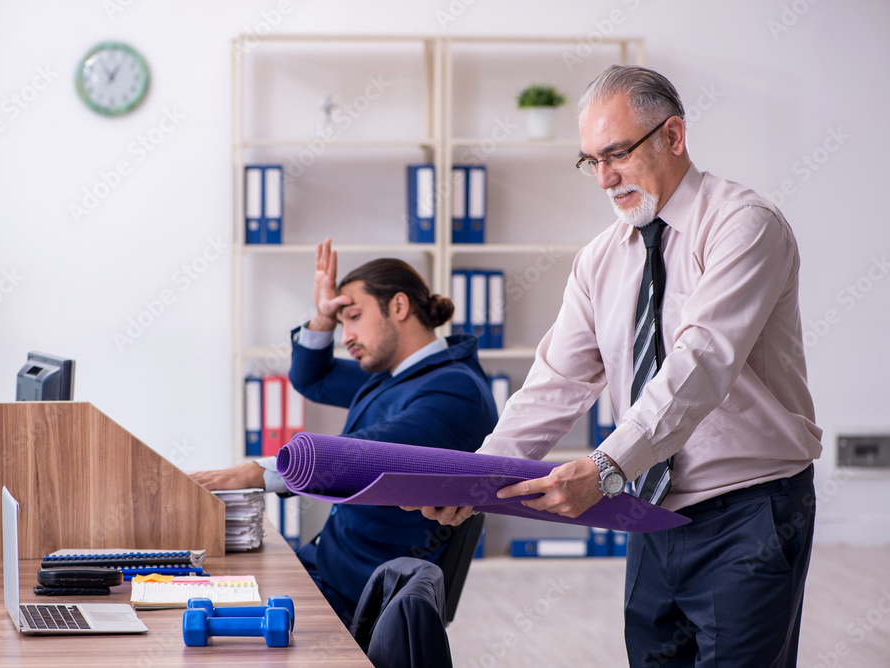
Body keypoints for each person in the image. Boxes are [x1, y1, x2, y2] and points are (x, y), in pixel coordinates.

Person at [409, 65, 822, 667]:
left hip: (749, 514)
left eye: (618, 153)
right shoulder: (601, 259)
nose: (605, 178)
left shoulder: (743, 224)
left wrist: (604, 467)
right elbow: (555, 384)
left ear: (673, 136)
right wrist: (478, 479)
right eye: (590, 162)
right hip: (650, 514)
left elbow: (699, 364)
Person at [192, 238, 498, 625]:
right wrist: (322, 316)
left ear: (399, 306)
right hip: (330, 564)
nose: (346, 336)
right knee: (198, 592)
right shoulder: (398, 375)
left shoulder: (455, 389)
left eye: (353, 317)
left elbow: (368, 453)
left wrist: (255, 472)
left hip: (364, 593)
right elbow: (312, 378)